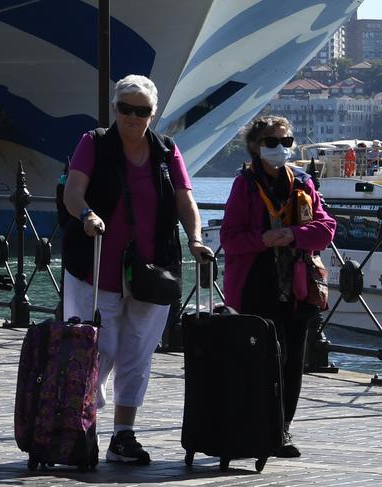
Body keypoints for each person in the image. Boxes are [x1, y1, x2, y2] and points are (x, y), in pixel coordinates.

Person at [62, 74, 213, 465]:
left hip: (152, 272)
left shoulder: (166, 150)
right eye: (125, 109)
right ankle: (81, 427)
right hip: (98, 269)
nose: (132, 116)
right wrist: (86, 214)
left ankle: (122, 435)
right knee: (99, 350)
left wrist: (195, 238)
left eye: (141, 110)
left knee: (137, 354)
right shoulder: (94, 143)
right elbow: (73, 190)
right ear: (115, 109)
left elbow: (185, 200)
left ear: (153, 113)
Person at [220, 115, 336, 458]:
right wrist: (264, 239)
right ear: (256, 146)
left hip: (299, 285)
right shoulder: (244, 185)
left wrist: (294, 234)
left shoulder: (302, 181)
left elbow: (326, 227)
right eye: (273, 142)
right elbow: (230, 239)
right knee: (264, 358)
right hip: (257, 283)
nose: (281, 149)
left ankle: (281, 431)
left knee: (292, 361)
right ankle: (257, 428)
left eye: (286, 142)